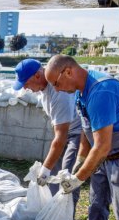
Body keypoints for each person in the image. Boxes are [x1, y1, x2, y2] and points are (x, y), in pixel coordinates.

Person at [45, 54, 119, 220]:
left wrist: (78, 178)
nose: (56, 89)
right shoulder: (80, 93)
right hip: (102, 158)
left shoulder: (101, 91)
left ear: (68, 72)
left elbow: (103, 145)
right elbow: (87, 133)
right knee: (96, 203)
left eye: (56, 83)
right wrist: (79, 164)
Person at [12, 59, 83, 207]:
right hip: (64, 134)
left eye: (26, 82)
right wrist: (47, 169)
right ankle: (51, 208)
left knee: (68, 176)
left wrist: (44, 171)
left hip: (77, 135)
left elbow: (61, 136)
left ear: (37, 75)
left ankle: (66, 216)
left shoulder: (58, 94)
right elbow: (57, 131)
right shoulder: (44, 91)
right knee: (53, 171)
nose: (25, 87)